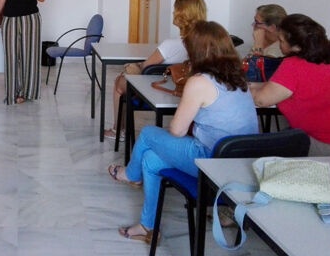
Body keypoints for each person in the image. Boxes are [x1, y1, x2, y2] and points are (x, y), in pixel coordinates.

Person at [106, 21, 259, 243]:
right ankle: (147, 227)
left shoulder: (200, 82)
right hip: (241, 165)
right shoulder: (238, 78)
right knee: (150, 159)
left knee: (148, 133)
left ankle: (131, 174)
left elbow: (177, 130)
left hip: (211, 162)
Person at [104, 0, 207, 140]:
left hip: (159, 90)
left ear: (181, 15)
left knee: (119, 83)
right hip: (186, 92)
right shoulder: (206, 45)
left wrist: (136, 65)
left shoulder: (170, 45)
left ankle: (118, 130)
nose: (173, 13)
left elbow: (146, 68)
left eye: (175, 10)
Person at [250, 13, 330, 156]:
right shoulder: (329, 59)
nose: (280, 44)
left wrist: (245, 91)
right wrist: (252, 85)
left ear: (296, 46)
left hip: (326, 143)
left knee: (257, 150)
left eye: (281, 41)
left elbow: (261, 100)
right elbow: (282, 85)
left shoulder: (293, 64)